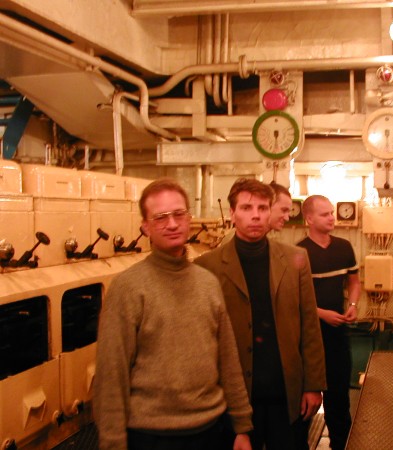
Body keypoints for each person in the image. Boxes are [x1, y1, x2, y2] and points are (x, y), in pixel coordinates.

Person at [93, 178, 253, 450]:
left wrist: (242, 426)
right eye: (160, 217)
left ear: (189, 219)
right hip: (151, 436)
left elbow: (228, 359)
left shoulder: (207, 283)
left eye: (179, 214)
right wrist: (113, 443)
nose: (172, 224)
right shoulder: (128, 287)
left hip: (210, 430)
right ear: (145, 226)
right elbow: (112, 373)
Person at [195, 178, 326, 450]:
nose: (255, 215)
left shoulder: (295, 259)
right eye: (246, 208)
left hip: (285, 393)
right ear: (232, 214)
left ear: (269, 212)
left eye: (262, 208)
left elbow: (309, 325)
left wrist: (313, 385)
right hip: (235, 397)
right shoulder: (207, 266)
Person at [296, 195, 361, 450]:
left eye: (332, 212)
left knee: (339, 400)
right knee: (305, 402)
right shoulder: (299, 253)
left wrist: (352, 305)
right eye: (325, 214)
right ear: (309, 219)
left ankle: (340, 445)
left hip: (337, 334)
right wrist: (322, 314)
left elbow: (354, 282)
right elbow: (294, 298)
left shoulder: (344, 248)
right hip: (309, 337)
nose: (332, 218)